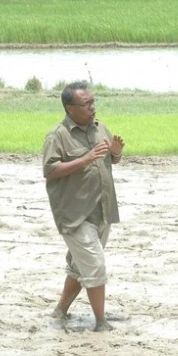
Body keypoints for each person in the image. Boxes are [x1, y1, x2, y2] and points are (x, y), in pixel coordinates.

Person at [43, 81, 124, 332]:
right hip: (74, 215)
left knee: (81, 266)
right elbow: (50, 170)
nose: (92, 108)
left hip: (102, 210)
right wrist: (85, 158)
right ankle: (100, 322)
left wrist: (117, 153)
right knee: (95, 265)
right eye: (86, 104)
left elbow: (110, 159)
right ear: (69, 108)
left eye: (93, 102)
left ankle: (60, 311)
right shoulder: (58, 136)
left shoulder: (101, 129)